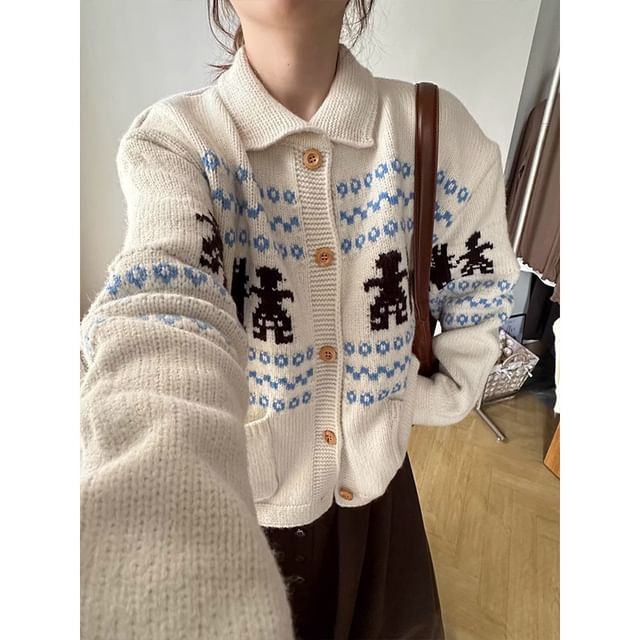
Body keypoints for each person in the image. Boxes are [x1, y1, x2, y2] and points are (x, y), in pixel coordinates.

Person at [80, 0, 520, 638]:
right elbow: (162, 303)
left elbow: (478, 293)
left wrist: (403, 402)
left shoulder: (437, 132)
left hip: (377, 501)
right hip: (239, 504)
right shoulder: (176, 143)